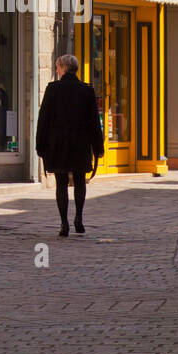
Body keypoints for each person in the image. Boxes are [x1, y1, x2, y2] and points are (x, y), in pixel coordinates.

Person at [36, 52, 104, 237]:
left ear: (63, 68)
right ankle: (79, 218)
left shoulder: (52, 89)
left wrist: (40, 145)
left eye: (57, 67)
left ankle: (64, 223)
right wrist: (98, 146)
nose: (57, 71)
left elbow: (43, 120)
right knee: (80, 180)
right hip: (80, 142)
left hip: (58, 143)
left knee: (61, 182)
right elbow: (93, 122)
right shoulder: (86, 89)